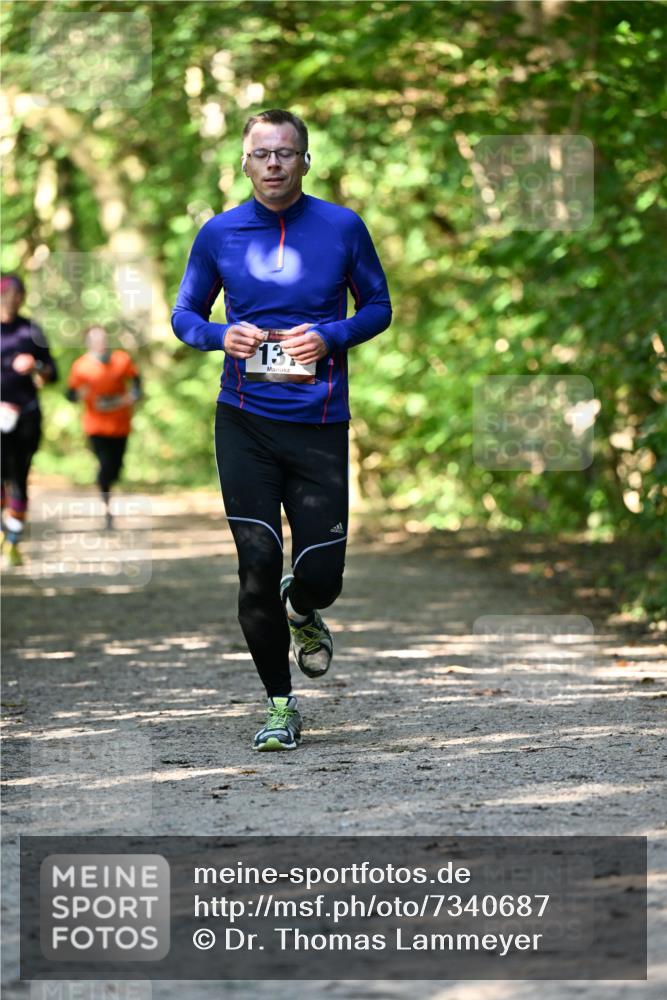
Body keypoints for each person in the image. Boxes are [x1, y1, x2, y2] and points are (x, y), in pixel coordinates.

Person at [172, 108, 392, 751]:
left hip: (320, 422)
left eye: (285, 153)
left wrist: (330, 335)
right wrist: (220, 335)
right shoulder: (219, 233)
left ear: (304, 161)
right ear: (244, 162)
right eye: (261, 153)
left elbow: (378, 306)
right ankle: (278, 705)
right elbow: (185, 314)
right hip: (244, 421)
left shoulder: (342, 227)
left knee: (322, 573)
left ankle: (305, 609)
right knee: (256, 564)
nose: (273, 163)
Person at [1, 272, 58, 566]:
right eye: (8, 293)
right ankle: (5, 528)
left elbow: (52, 373)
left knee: (19, 475)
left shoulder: (30, 331)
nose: (14, 299)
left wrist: (35, 365)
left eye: (19, 294)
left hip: (26, 413)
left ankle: (13, 542)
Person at [66, 325, 141, 530]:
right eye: (95, 340)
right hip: (95, 426)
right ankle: (107, 507)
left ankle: (108, 482)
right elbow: (70, 394)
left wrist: (133, 395)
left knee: (116, 467)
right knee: (105, 466)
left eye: (102, 339)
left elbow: (136, 381)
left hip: (120, 424)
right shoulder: (80, 366)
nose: (100, 343)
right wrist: (78, 394)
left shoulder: (121, 360)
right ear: (88, 343)